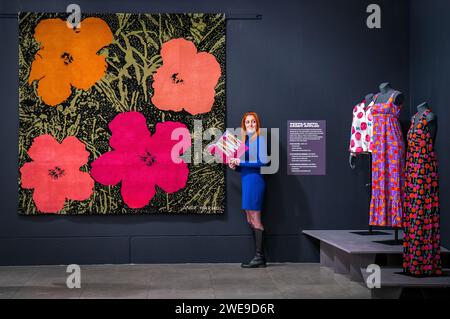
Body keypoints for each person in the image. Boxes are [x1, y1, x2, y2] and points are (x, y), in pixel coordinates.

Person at [229, 112, 268, 268]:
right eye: (247, 122)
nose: (250, 124)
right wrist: (235, 167)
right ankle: (258, 256)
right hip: (246, 182)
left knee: (256, 219)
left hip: (255, 183)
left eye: (253, 122)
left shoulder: (260, 139)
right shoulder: (247, 142)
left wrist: (241, 161)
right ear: (243, 125)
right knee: (249, 219)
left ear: (257, 124)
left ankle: (259, 257)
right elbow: (246, 167)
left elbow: (263, 162)